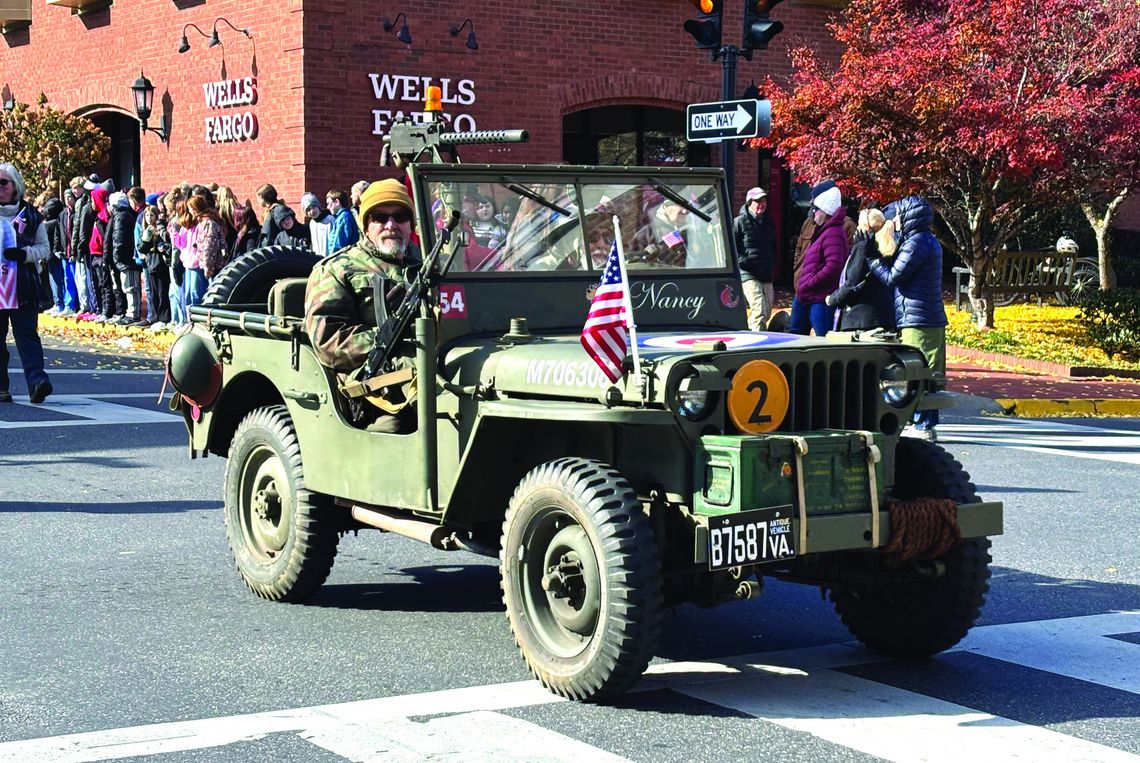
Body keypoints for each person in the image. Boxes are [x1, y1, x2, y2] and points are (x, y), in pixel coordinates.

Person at [304, 179, 420, 433]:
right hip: (377, 390)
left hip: (438, 370)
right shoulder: (338, 268)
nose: (391, 225)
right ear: (366, 225)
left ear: (411, 223)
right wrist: (395, 337)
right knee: (396, 429)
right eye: (379, 217)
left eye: (400, 216)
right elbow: (328, 340)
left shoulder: (432, 265)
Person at [866, 196, 948, 442]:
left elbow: (893, 276)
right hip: (925, 316)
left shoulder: (917, 243)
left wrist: (872, 259)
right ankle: (926, 424)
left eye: (899, 214)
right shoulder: (924, 240)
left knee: (919, 372)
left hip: (919, 319)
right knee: (927, 371)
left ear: (910, 215)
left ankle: (922, 424)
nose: (895, 219)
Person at [0, 162, 53, 404]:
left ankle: (37, 383)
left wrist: (25, 254)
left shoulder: (30, 215)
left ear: (15, 186)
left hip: (24, 287)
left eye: (3, 183)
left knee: (27, 336)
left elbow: (45, 249)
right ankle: (1, 388)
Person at [790, 180, 858, 335]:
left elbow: (835, 266)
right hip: (803, 291)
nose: (812, 211)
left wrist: (809, 283)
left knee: (823, 337)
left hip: (819, 295)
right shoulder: (811, 223)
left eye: (815, 207)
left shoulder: (840, 228)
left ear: (825, 208)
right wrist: (799, 277)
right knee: (794, 335)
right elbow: (800, 250)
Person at [826, 208, 897, 332]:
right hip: (883, 317)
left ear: (865, 226)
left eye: (859, 223)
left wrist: (833, 298)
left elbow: (853, 282)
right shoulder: (890, 246)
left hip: (860, 321)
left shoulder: (863, 248)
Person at [734, 187, 776, 331]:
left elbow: (773, 246)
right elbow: (731, 248)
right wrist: (744, 262)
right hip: (748, 273)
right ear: (749, 202)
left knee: (767, 312)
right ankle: (757, 346)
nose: (761, 204)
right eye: (757, 201)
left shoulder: (769, 222)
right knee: (759, 311)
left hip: (766, 273)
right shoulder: (739, 222)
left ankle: (746, 333)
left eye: (763, 201)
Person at [325, 188, 359, 254]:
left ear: (337, 202)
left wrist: (331, 259)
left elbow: (339, 244)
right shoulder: (343, 216)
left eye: (329, 203)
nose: (328, 207)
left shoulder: (344, 217)